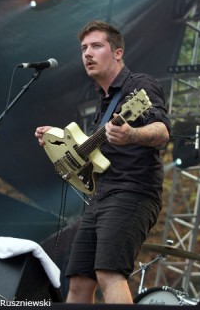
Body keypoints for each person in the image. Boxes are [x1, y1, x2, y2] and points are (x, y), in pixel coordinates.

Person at [35, 20, 171, 304]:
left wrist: (131, 133)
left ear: (118, 52)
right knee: (79, 282)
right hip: (102, 195)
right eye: (84, 48)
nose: (87, 53)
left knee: (109, 273)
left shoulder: (139, 86)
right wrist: (57, 140)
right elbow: (95, 153)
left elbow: (162, 132)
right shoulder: (104, 100)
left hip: (133, 192)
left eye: (96, 46)